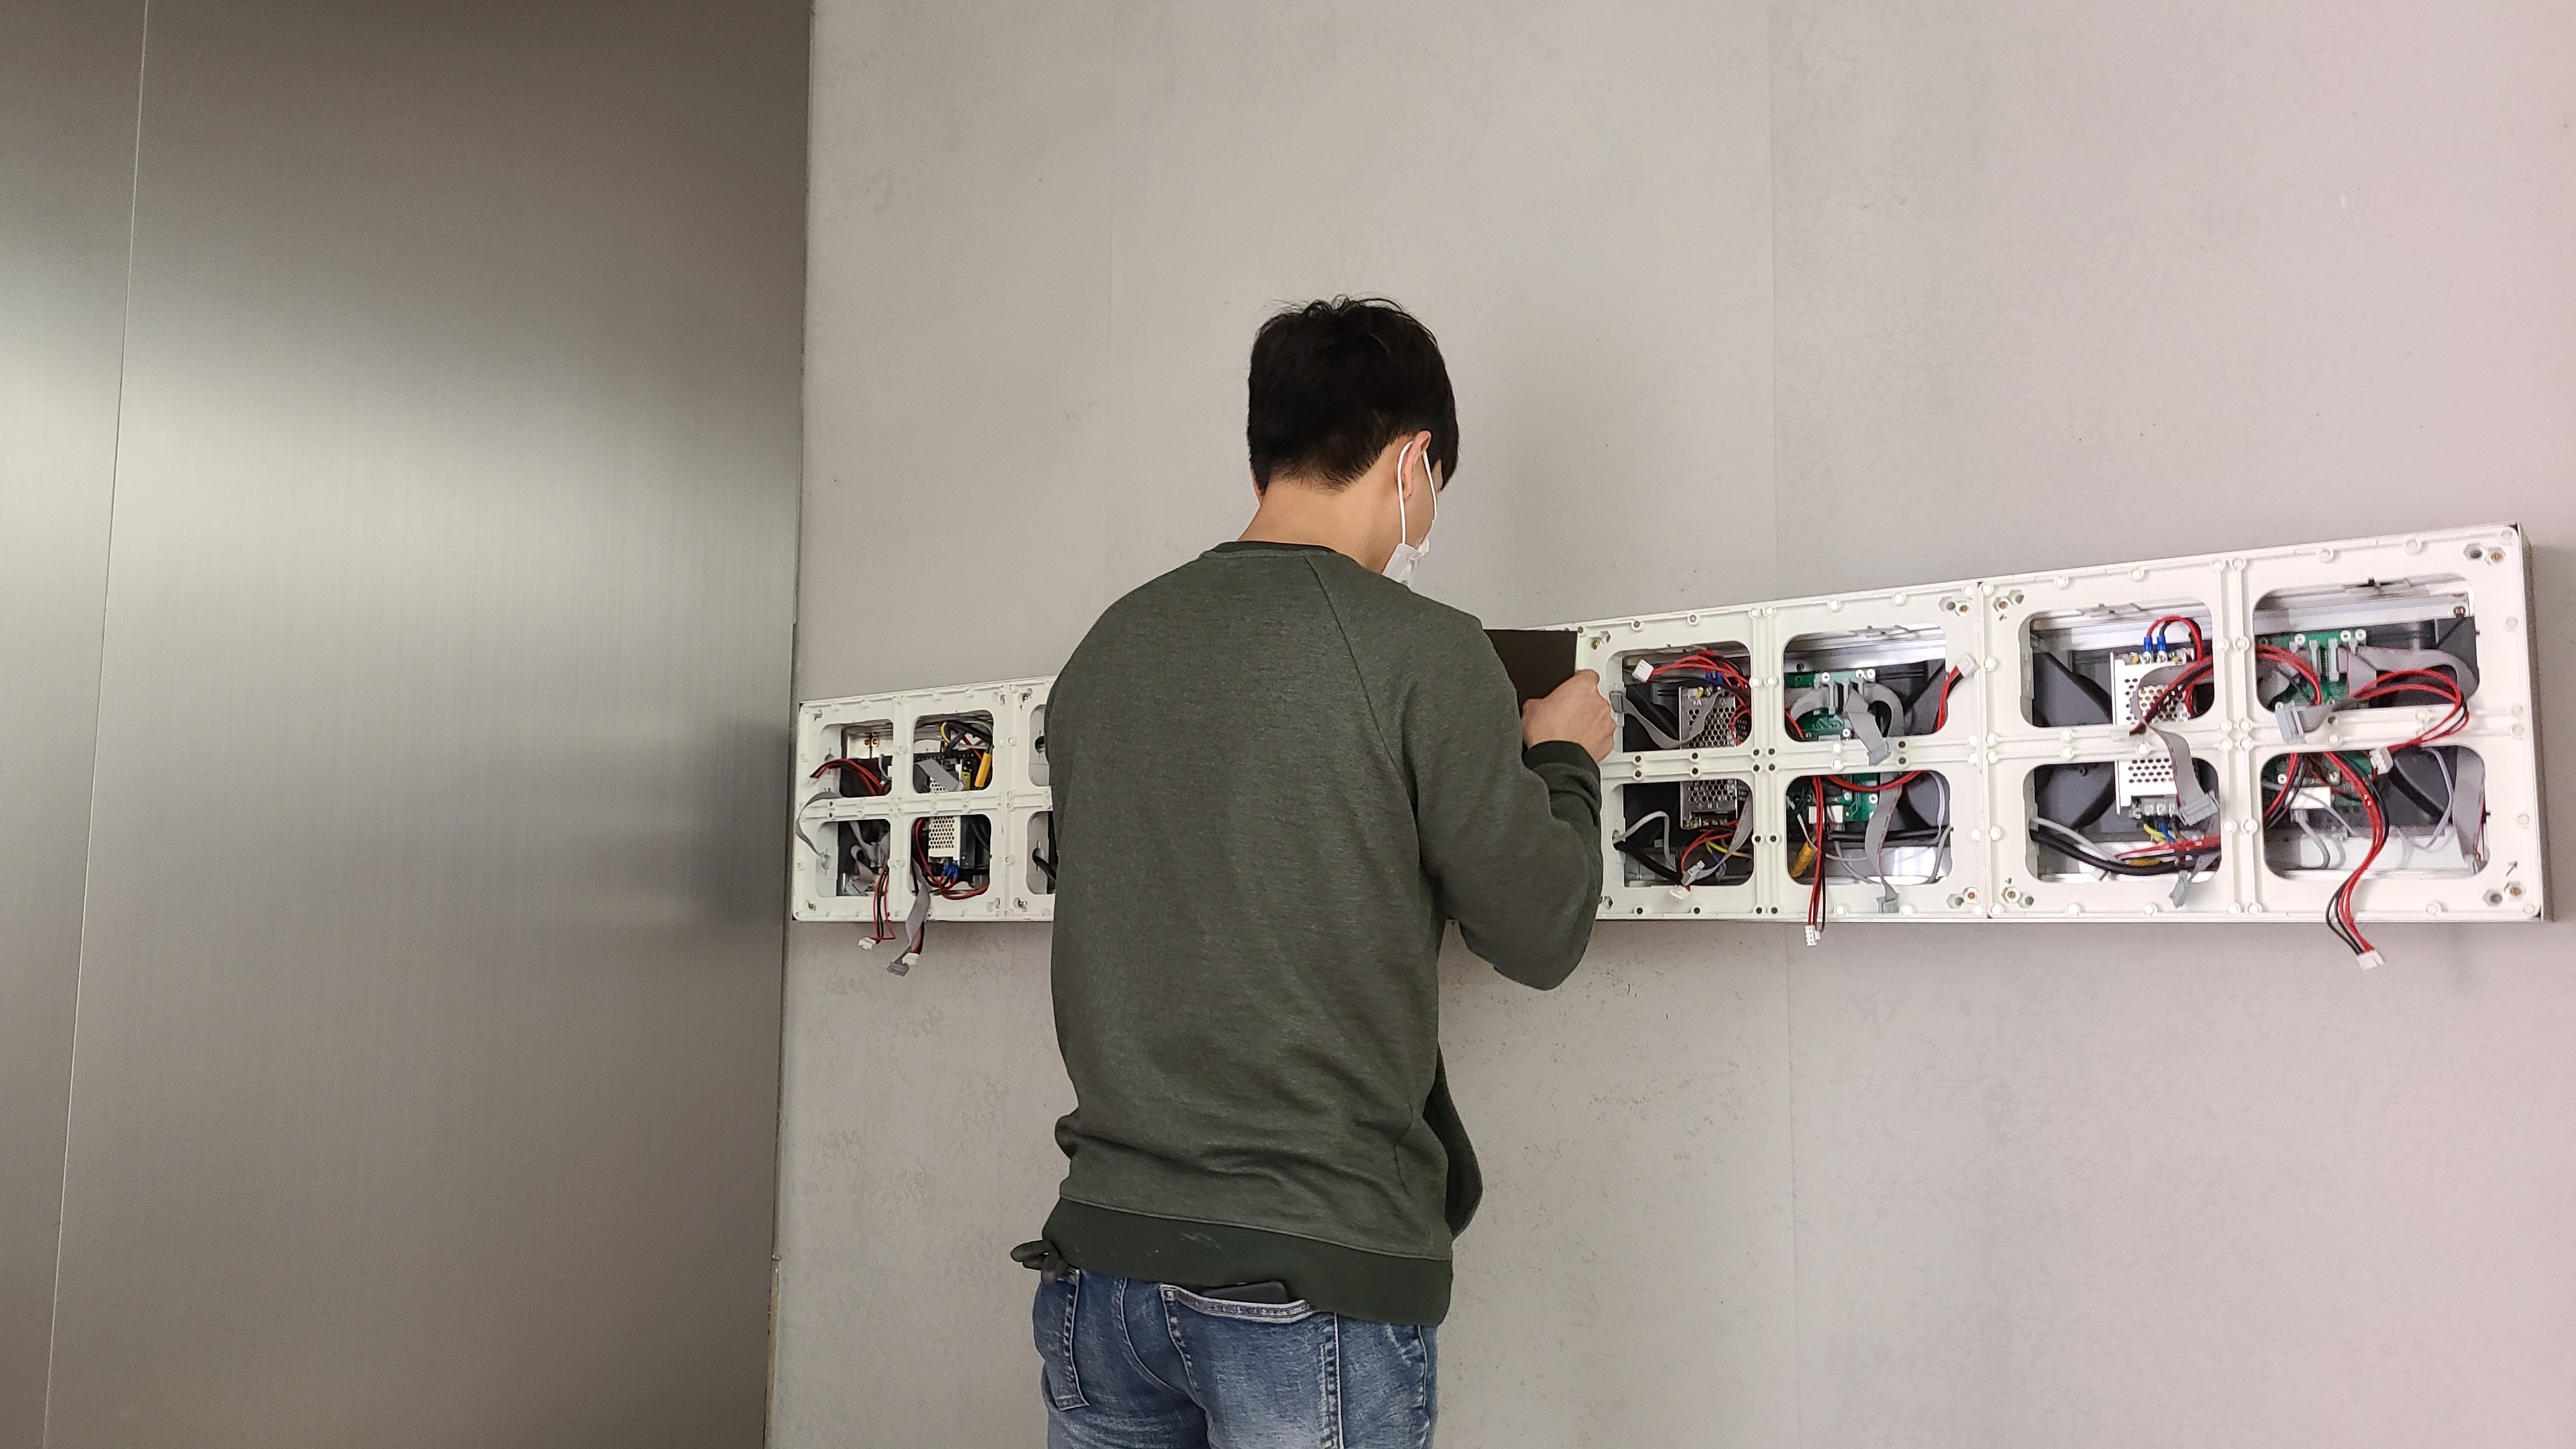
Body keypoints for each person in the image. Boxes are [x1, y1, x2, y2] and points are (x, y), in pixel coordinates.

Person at [1020, 296, 1612, 1448]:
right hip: (1311, 1279)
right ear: (1414, 462)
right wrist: (1562, 760)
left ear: (1265, 454)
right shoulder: (1421, 649)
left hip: (1099, 1268)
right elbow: (1540, 933)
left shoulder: (1108, 647)